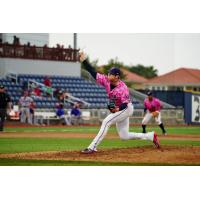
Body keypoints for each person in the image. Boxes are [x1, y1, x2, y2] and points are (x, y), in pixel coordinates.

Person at [79, 52, 160, 154]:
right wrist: (85, 61)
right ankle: (150, 136)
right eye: (108, 73)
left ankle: (92, 147)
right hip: (121, 108)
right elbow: (93, 72)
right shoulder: (106, 80)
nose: (108, 75)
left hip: (126, 108)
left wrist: (117, 109)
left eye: (111, 74)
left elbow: (124, 104)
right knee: (124, 136)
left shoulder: (123, 88)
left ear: (117, 76)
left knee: (106, 122)